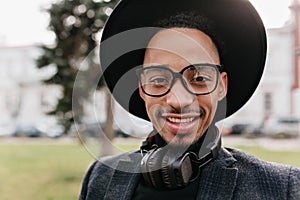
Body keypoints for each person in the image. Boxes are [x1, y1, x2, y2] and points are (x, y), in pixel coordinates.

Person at [79, 0, 300, 199]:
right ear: (141, 87)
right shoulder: (100, 178)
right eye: (159, 79)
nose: (179, 100)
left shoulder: (282, 188)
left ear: (222, 86)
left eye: (199, 78)